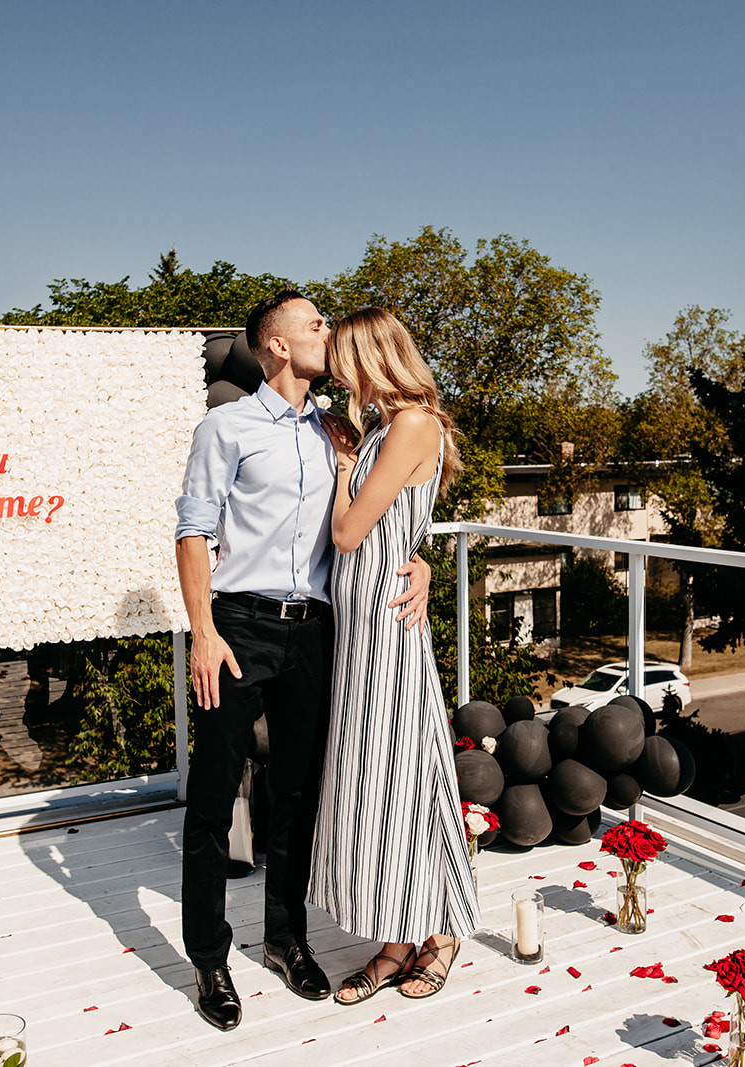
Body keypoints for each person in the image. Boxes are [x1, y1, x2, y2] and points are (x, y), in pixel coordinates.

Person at [173, 290, 429, 1031]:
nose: (329, 330)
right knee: (215, 797)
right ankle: (208, 958)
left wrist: (420, 562)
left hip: (317, 629)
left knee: (297, 796)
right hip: (237, 627)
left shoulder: (342, 430)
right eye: (315, 322)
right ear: (276, 345)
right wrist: (203, 630)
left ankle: (286, 939)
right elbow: (193, 531)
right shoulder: (225, 427)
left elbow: (385, 511)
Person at [307, 306, 480, 1005]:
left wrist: (345, 461)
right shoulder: (387, 425)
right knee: (384, 777)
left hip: (384, 622)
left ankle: (418, 937)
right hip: (362, 620)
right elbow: (394, 529)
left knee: (393, 779)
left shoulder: (411, 424)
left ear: (374, 355)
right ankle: (408, 933)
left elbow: (349, 533)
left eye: (345, 357)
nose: (339, 372)